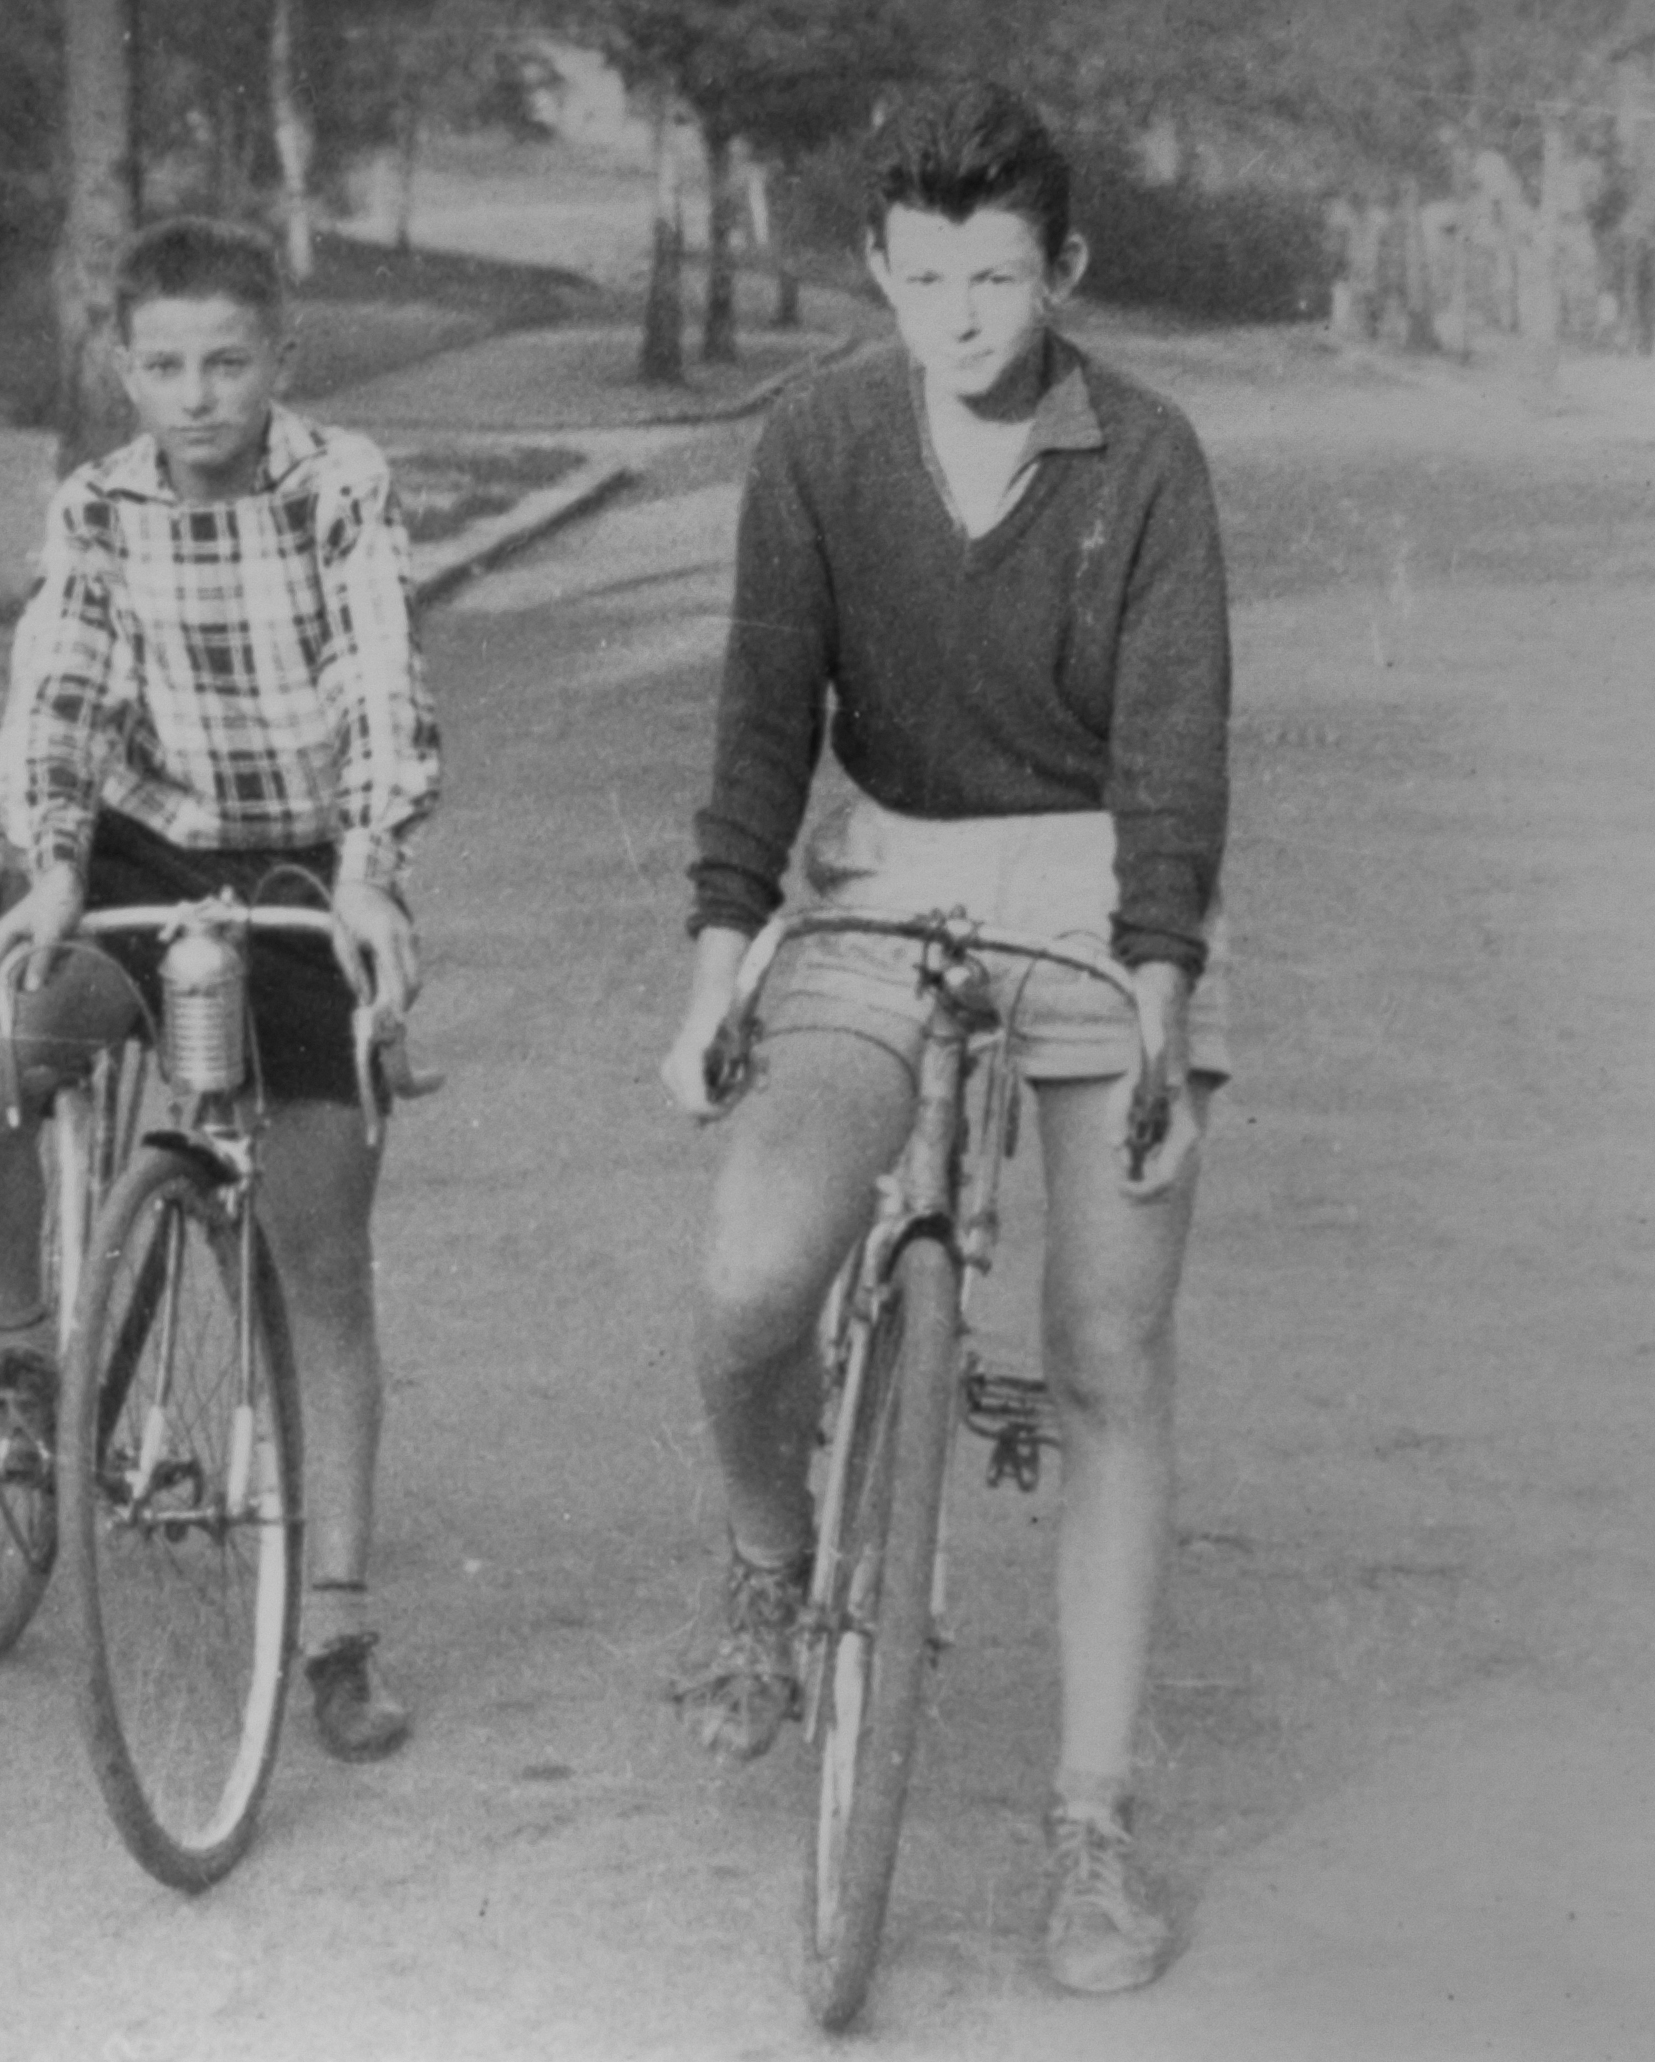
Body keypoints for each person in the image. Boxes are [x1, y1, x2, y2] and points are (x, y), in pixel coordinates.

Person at [653, 83, 1232, 1996]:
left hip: (1101, 898)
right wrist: (719, 963)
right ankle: (768, 1567)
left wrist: (1159, 996)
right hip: (882, 873)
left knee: (1105, 1350)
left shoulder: (1145, 459)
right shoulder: (819, 439)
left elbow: (1172, 749)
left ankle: (1090, 1824)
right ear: (875, 270)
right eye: (920, 279)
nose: (959, 317)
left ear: (1062, 269)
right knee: (750, 1274)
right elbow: (762, 717)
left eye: (995, 277)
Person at [0, 216, 443, 1760]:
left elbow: (376, 676)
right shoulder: (97, 505)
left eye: (227, 362)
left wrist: (370, 863)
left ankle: (336, 1624)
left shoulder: (338, 483)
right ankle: (21, 1354)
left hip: (304, 870)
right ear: (122, 369)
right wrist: (52, 864)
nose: (197, 395)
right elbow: (62, 689)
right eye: (164, 366)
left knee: (319, 1261)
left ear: (280, 357)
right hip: (139, 857)